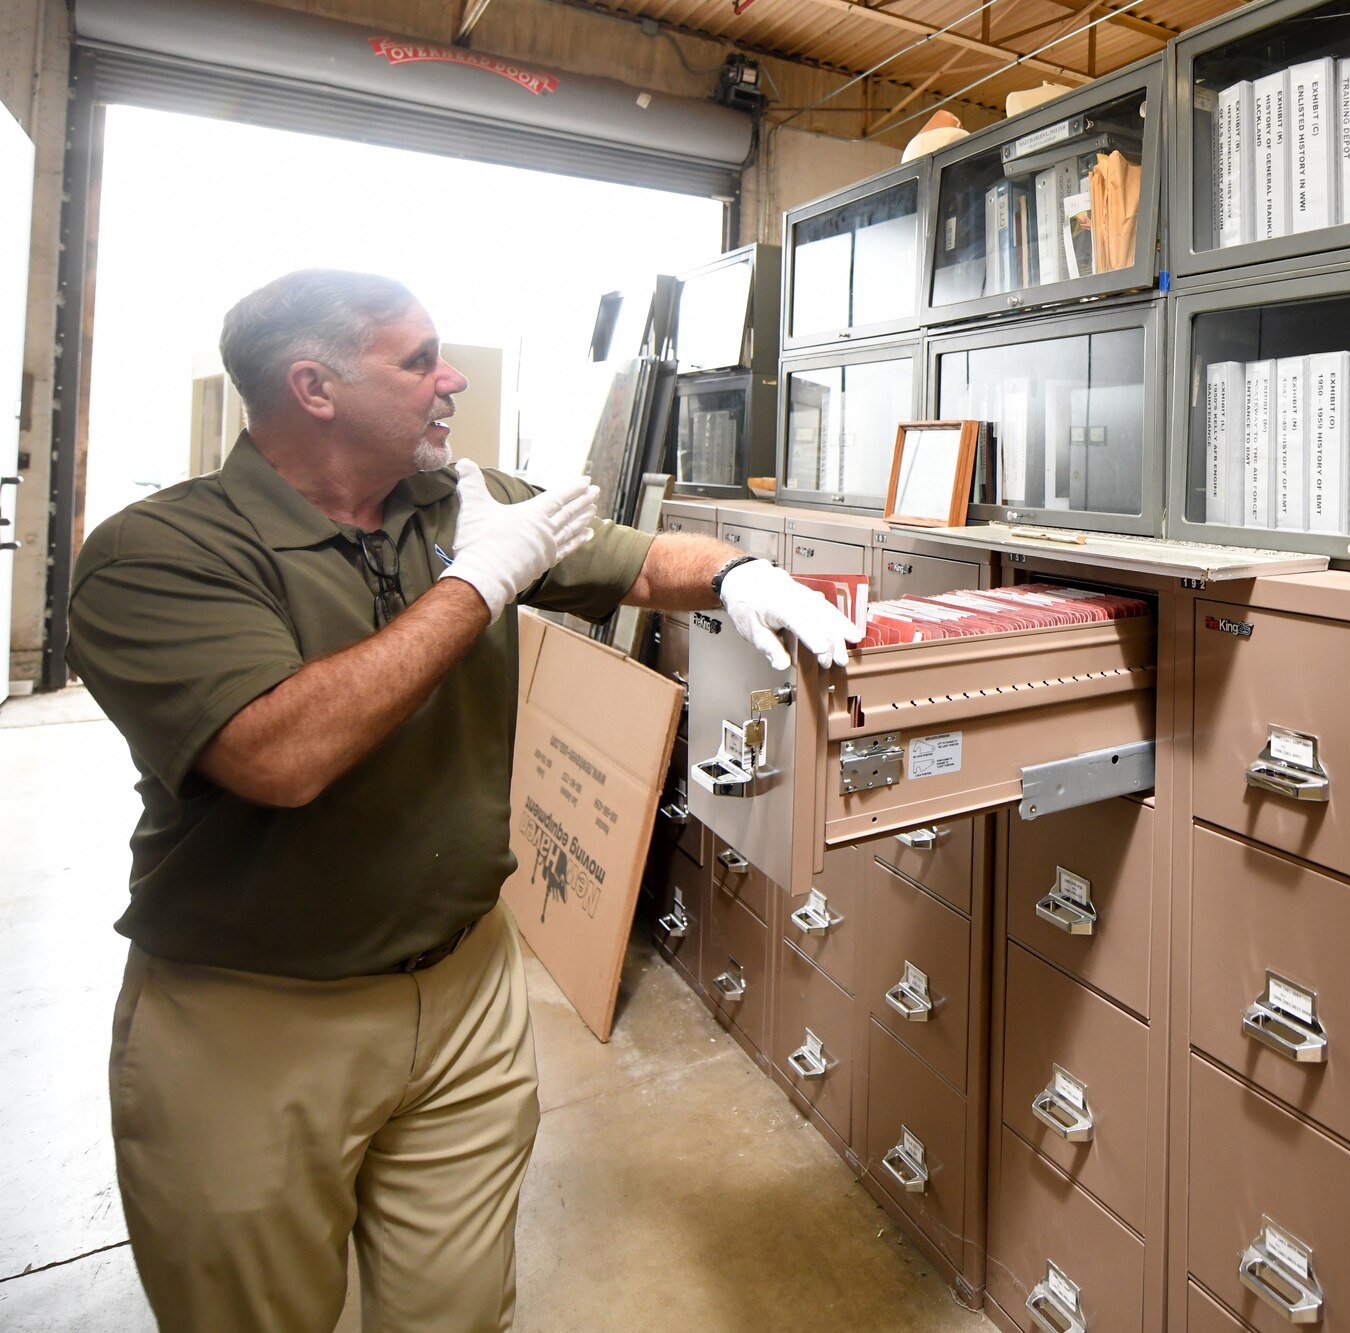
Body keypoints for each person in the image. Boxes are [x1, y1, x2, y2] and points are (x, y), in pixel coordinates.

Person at [64, 268, 860, 1333]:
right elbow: (284, 751)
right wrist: (479, 581)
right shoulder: (159, 551)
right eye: (418, 360)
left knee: (460, 1308)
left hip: (466, 986)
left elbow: (635, 560)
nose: (449, 381)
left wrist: (738, 578)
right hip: (254, 1016)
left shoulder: (457, 502)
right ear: (315, 387)